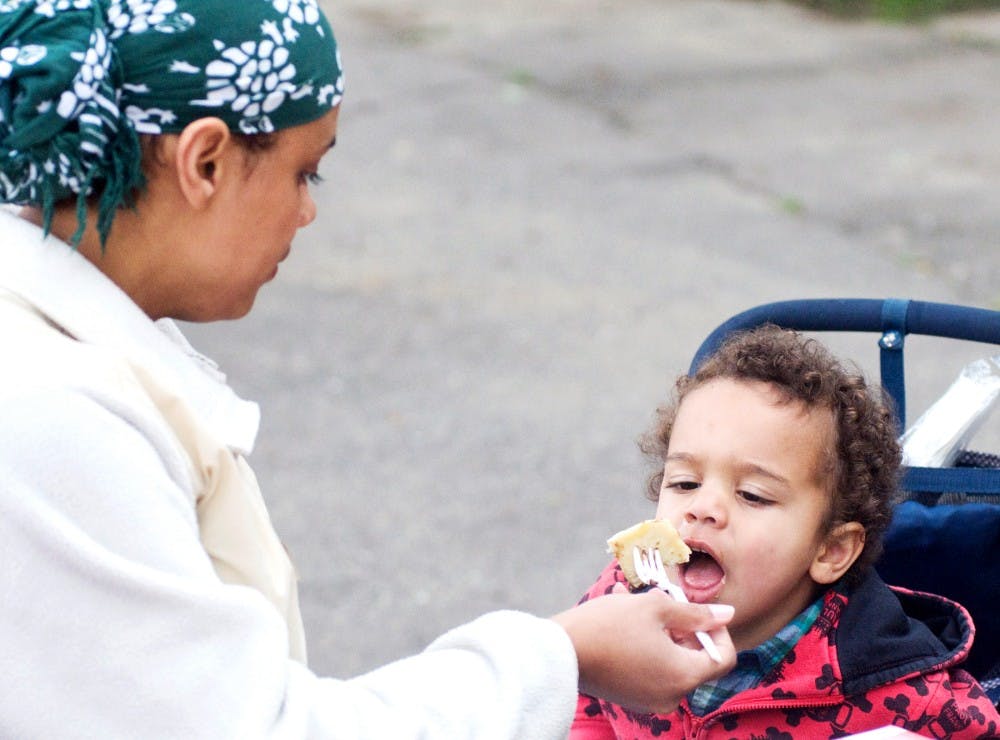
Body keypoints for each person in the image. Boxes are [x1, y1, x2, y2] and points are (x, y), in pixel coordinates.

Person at [0, 2, 736, 738]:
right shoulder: (54, 416)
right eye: (304, 174)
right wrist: (565, 651)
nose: (306, 214)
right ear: (205, 161)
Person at [570, 326, 999, 739]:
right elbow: (584, 704)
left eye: (752, 495)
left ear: (830, 550)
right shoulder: (619, 604)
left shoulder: (901, 700)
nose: (702, 508)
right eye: (684, 483)